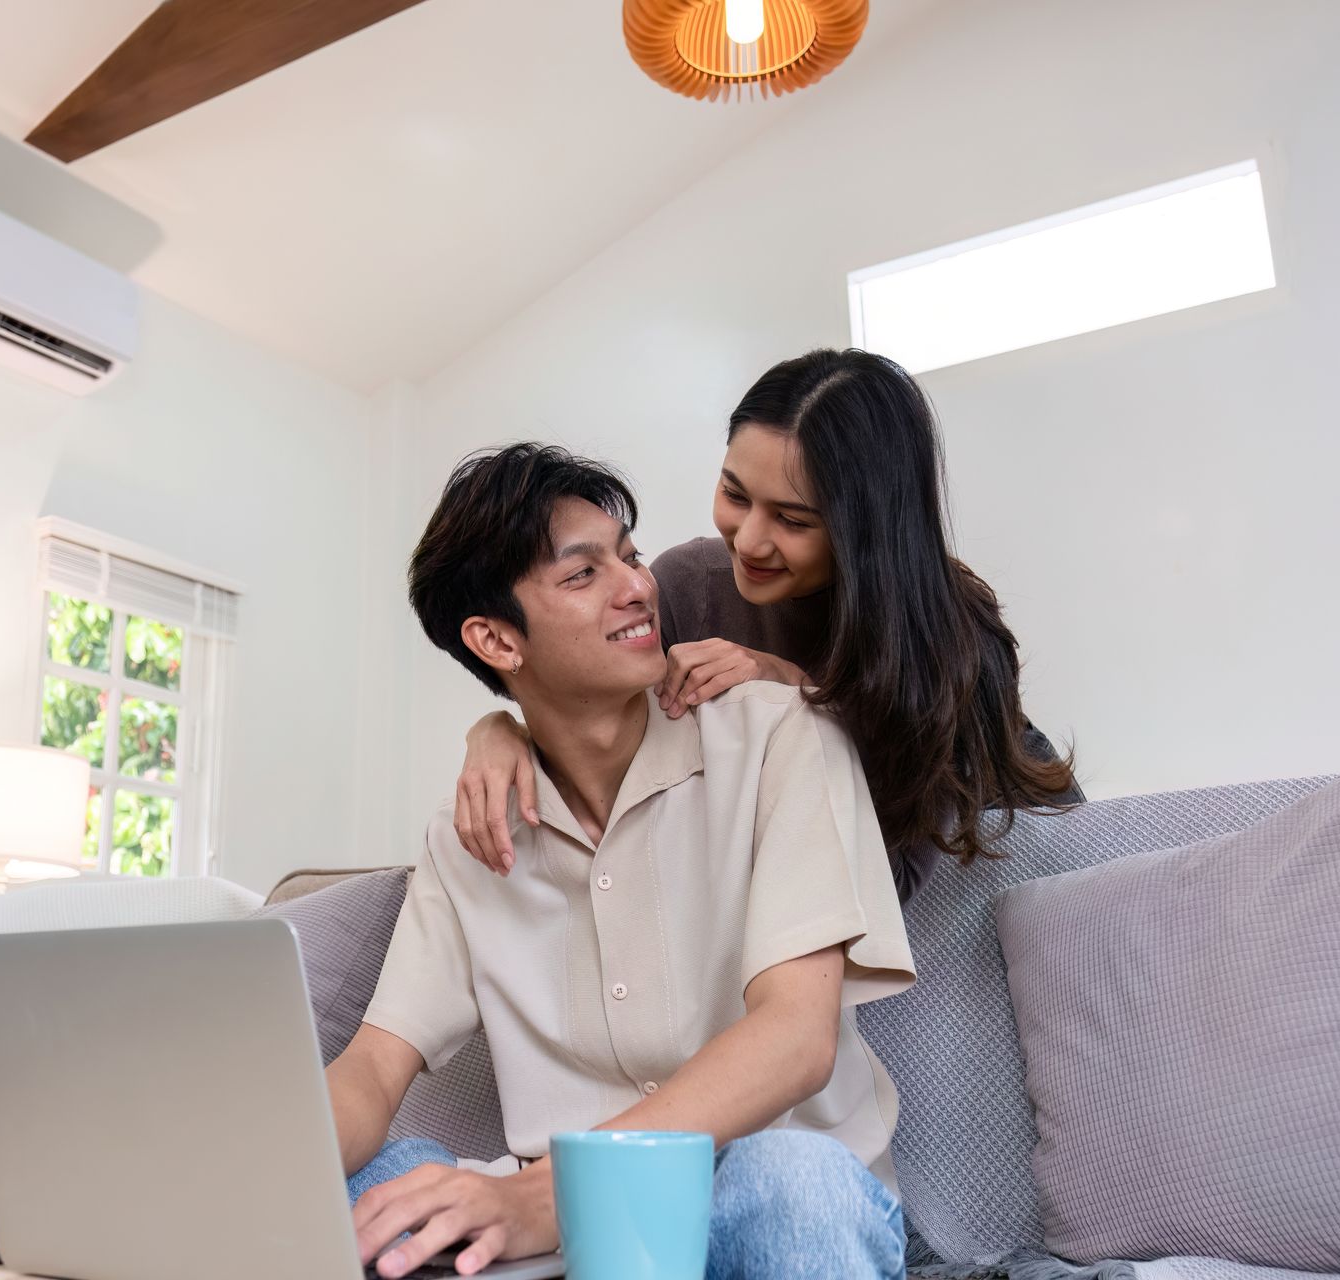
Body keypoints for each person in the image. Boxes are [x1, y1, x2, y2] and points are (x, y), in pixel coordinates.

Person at [324, 443, 914, 1279]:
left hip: (764, 1204)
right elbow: (375, 1066)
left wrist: (557, 1190)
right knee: (382, 1187)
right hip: (570, 1244)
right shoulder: (473, 834)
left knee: (797, 1181)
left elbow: (795, 1036)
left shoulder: (778, 737)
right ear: (495, 638)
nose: (639, 586)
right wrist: (253, 1170)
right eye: (583, 575)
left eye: (630, 558)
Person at [452, 349, 1081, 902]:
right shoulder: (690, 585)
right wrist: (500, 728)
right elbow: (582, 697)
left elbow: (889, 877)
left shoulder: (946, 629)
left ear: (867, 533)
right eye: (734, 492)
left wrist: (803, 695)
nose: (749, 540)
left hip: (996, 874)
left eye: (794, 520)